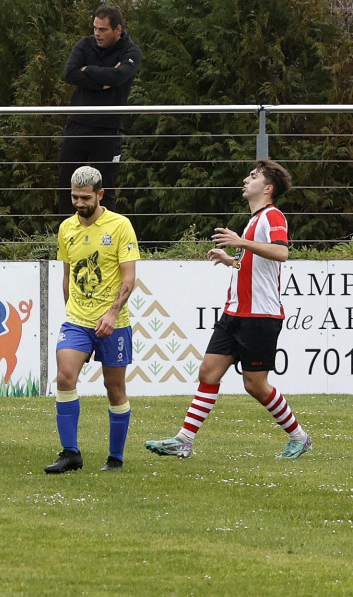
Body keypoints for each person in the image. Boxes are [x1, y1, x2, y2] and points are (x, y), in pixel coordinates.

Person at [145, 159, 312, 460]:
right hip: (234, 314)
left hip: (260, 316)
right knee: (208, 373)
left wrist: (241, 242)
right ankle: (184, 440)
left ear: (268, 188)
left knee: (255, 386)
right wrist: (231, 260)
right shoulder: (253, 220)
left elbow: (282, 252)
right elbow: (256, 267)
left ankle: (299, 437)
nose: (246, 180)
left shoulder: (273, 215)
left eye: (254, 176)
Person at [45, 165, 139, 474]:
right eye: (74, 197)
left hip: (115, 322)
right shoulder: (67, 229)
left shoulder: (120, 225)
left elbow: (129, 278)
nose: (79, 204)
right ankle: (70, 453)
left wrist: (112, 312)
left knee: (115, 389)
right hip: (77, 321)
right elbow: (67, 275)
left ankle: (115, 458)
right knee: (64, 377)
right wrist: (70, 311)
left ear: (100, 195)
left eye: (85, 198)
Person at [57, 5, 141, 214]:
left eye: (102, 29)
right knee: (66, 184)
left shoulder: (131, 51)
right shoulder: (85, 45)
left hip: (109, 128)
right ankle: (67, 238)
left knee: (106, 188)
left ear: (117, 30)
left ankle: (107, 239)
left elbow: (119, 76)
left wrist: (89, 70)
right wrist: (103, 81)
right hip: (78, 124)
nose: (96, 33)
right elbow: (69, 73)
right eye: (95, 28)